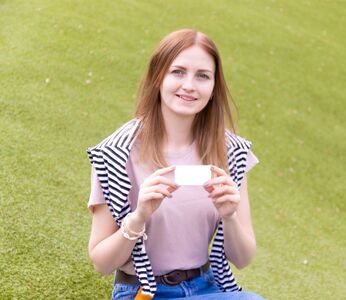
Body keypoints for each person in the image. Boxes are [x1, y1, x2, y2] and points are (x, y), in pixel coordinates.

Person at [86, 29, 264, 300]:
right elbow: (102, 262)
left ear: (214, 86)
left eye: (202, 76)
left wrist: (229, 216)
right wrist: (139, 216)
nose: (190, 85)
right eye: (178, 72)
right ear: (158, 77)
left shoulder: (231, 152)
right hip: (142, 291)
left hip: (208, 288)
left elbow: (242, 258)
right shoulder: (116, 152)